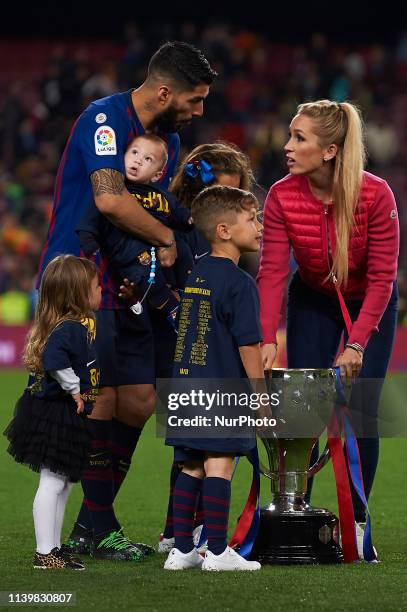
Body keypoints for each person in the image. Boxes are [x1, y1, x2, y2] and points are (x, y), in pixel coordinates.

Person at [38, 41, 216, 562]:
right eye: (195, 98)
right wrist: (164, 237)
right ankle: (96, 523)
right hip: (81, 277)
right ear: (165, 91)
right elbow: (110, 199)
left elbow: (157, 205)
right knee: (99, 398)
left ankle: (94, 522)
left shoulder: (170, 140)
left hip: (133, 286)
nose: (199, 110)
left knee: (139, 400)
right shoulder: (105, 121)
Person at [257, 99, 399, 558]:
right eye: (290, 134)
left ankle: (355, 518)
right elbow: (273, 274)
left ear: (331, 150)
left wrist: (357, 343)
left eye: (299, 138)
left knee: (361, 411)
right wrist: (263, 340)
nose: (287, 146)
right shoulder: (281, 194)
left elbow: (382, 278)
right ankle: (302, 516)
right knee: (304, 408)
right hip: (313, 297)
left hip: (369, 304)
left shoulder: (376, 196)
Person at [156, 142, 255, 552]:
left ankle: (179, 548)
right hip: (221, 387)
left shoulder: (195, 276)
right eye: (252, 218)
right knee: (221, 463)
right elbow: (248, 343)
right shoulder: (238, 282)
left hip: (185, 383)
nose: (260, 225)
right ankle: (216, 550)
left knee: (190, 464)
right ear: (224, 229)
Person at [3, 255, 101, 570]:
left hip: (61, 412)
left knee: (64, 481)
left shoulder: (70, 325)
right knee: (53, 481)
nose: (101, 291)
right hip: (56, 411)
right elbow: (55, 358)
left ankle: (55, 548)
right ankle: (45, 553)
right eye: (96, 286)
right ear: (79, 293)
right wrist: (74, 389)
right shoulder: (70, 328)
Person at [77, 133, 193, 323]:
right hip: (130, 249)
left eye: (148, 159)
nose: (138, 161)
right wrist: (89, 242)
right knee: (145, 273)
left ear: (157, 174)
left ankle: (190, 293)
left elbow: (177, 211)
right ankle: (173, 310)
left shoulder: (160, 195)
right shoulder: (115, 190)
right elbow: (89, 220)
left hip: (160, 246)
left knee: (183, 249)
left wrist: (187, 219)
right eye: (134, 153)